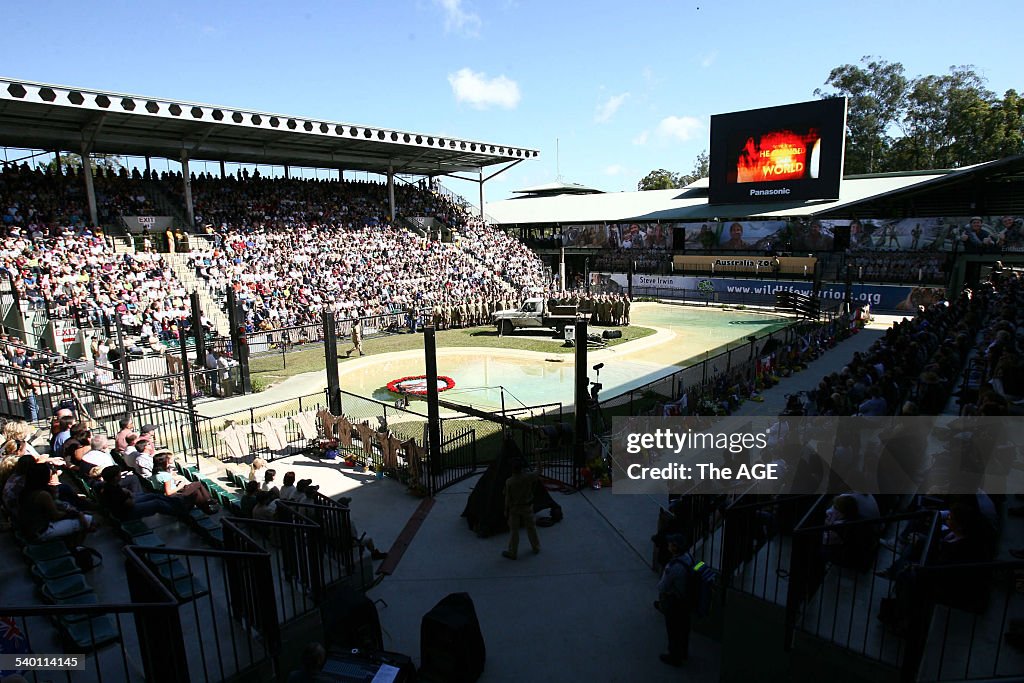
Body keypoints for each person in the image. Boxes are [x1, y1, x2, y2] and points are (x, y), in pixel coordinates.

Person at [17, 463, 95, 545]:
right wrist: (76, 514)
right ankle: (76, 547)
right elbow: (56, 515)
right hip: (40, 531)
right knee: (87, 519)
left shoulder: (25, 490)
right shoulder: (42, 494)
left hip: (30, 528)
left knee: (80, 516)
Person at [656, 532, 691, 667]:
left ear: (675, 547)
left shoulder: (673, 567)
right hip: (687, 598)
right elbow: (699, 566)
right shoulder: (689, 558)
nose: (668, 545)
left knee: (673, 629)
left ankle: (674, 656)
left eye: (671, 544)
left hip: (675, 601)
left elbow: (662, 586)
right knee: (684, 627)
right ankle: (683, 652)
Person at [150, 453, 217, 514]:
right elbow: (168, 493)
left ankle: (207, 506)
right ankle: (208, 501)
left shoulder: (155, 473)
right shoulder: (165, 475)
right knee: (197, 484)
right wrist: (180, 486)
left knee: (196, 491)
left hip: (166, 496)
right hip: (174, 496)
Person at [502, 459, 540, 560]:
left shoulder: (509, 482)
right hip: (527, 507)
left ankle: (512, 552)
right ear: (522, 469)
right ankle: (536, 547)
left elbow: (507, 498)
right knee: (531, 528)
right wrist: (537, 456)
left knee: (514, 531)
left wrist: (506, 510)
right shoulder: (528, 477)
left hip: (514, 509)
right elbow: (539, 470)